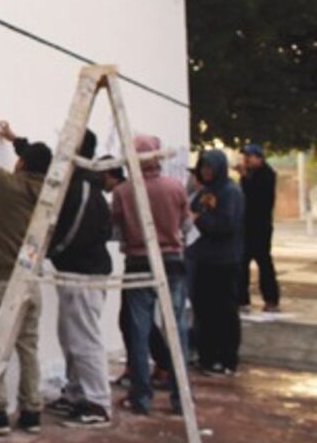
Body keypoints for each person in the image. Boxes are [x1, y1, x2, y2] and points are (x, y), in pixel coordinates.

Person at [3, 125, 113, 429]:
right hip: (75, 270)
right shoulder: (73, 179)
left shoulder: (83, 186)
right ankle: (76, 394)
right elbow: (44, 160)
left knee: (84, 339)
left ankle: (97, 403)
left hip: (85, 273)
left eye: (66, 141)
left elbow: (74, 231)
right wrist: (17, 142)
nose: (60, 145)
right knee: (70, 337)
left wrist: (47, 251)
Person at [0, 127, 52, 436]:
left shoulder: (9, 186)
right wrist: (17, 142)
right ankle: (31, 412)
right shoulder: (50, 195)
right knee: (27, 347)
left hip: (1, 281)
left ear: (21, 164)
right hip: (31, 281)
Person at [111, 134, 189, 415]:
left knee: (139, 331)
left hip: (137, 262)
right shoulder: (175, 187)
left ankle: (141, 396)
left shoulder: (123, 191)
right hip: (172, 261)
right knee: (177, 329)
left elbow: (116, 229)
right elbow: (187, 225)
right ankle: (181, 399)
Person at [191, 150, 245, 376]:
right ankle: (207, 355)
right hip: (203, 258)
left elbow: (226, 225)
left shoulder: (230, 192)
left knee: (224, 310)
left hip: (223, 260)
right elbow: (192, 209)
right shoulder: (206, 191)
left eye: (209, 168)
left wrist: (200, 219)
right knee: (204, 309)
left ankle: (227, 358)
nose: (205, 172)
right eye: (203, 168)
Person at [238, 143, 280, 313]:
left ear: (259, 157)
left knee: (264, 263)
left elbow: (257, 198)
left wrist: (245, 177)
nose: (246, 160)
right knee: (242, 264)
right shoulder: (250, 175)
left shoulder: (267, 175)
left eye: (250, 156)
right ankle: (242, 299)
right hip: (246, 226)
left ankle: (271, 298)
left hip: (260, 227)